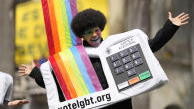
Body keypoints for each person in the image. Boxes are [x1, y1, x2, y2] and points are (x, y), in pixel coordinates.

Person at [18, 9, 189, 109]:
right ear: (82, 35)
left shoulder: (115, 46)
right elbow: (55, 83)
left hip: (121, 104)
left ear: (101, 28)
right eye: (88, 32)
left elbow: (151, 47)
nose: (94, 35)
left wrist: (170, 27)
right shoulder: (74, 57)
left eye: (96, 30)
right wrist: (34, 72)